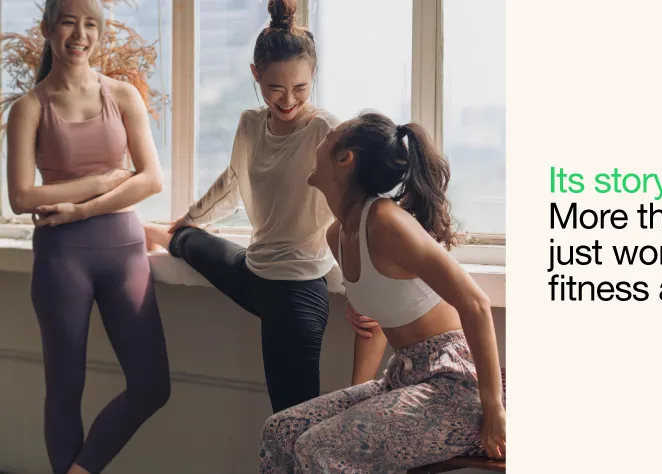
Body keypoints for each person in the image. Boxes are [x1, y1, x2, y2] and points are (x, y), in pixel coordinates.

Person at [257, 112, 507, 473]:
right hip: (402, 377)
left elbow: (476, 304)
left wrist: (494, 407)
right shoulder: (338, 235)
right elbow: (374, 321)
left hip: (456, 389)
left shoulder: (386, 221)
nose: (320, 138)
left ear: (346, 158)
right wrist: (354, 403)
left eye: (330, 137)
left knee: (319, 446)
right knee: (281, 431)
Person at [142, 0, 339, 414]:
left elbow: (354, 206)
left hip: (297, 291)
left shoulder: (325, 130)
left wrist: (363, 286)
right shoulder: (251, 123)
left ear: (314, 77)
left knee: (291, 422)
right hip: (254, 273)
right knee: (191, 241)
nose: (288, 100)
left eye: (300, 88)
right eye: (275, 88)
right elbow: (232, 183)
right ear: (255, 75)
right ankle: (166, 235)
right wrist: (188, 219)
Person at [4, 0, 171, 472]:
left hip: (124, 252)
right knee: (65, 388)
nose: (80, 34)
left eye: (91, 24)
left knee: (151, 384)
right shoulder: (29, 108)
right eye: (69, 22)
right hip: (62, 258)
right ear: (47, 28)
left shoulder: (122, 96)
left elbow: (151, 179)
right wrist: (102, 181)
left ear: (103, 32)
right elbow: (21, 196)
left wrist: (83, 207)